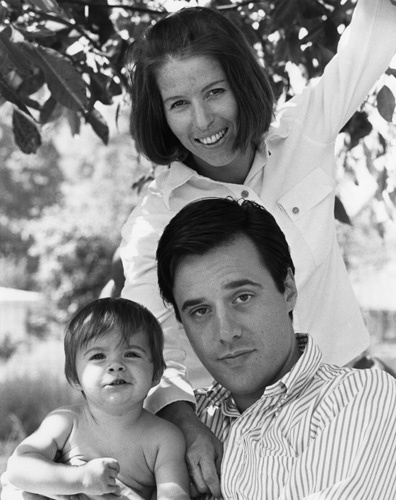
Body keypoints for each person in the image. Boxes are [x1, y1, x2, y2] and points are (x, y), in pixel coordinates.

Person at [119, 2, 396, 496]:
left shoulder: (303, 131)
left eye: (215, 92)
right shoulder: (153, 224)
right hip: (235, 426)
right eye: (178, 103)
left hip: (348, 402)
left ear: (242, 85)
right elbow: (150, 344)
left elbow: (374, 34)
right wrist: (186, 425)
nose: (203, 120)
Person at [156, 197, 396, 500]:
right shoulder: (178, 427)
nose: (226, 332)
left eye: (242, 297)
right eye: (200, 311)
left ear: (288, 290)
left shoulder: (361, 398)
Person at [4, 298, 190, 500]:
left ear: (156, 373)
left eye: (131, 353)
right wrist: (80, 478)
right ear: (75, 378)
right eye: (98, 356)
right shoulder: (66, 422)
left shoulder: (165, 438)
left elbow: (174, 495)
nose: (116, 365)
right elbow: (18, 469)